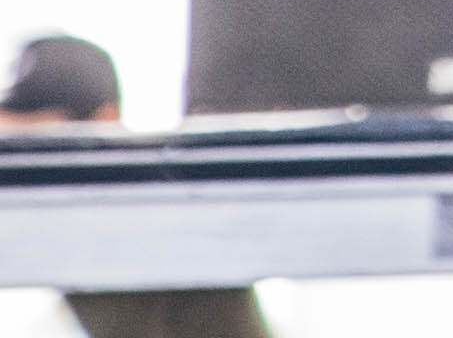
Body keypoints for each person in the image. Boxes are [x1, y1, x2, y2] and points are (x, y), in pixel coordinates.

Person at [0, 33, 273, 338]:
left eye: (36, 145)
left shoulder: (159, 221)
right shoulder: (61, 237)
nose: (21, 173)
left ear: (104, 121)